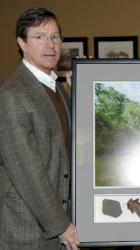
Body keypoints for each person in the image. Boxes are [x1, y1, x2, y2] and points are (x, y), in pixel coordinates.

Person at [0, 8, 79, 250]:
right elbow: (26, 171)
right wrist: (61, 226)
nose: (50, 45)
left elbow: (66, 150)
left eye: (55, 37)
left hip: (58, 222)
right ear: (22, 43)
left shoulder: (58, 89)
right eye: (39, 37)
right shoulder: (11, 95)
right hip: (27, 229)